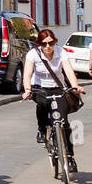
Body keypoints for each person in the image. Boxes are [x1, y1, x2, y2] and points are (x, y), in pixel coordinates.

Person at [23, 28, 84, 173]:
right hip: (40, 88)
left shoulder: (61, 52)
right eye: (44, 44)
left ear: (55, 42)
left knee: (64, 122)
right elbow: (27, 74)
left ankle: (70, 157)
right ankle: (42, 129)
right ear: (39, 44)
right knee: (43, 104)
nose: (47, 47)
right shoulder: (33, 54)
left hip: (59, 88)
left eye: (50, 43)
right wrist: (27, 90)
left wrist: (75, 86)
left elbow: (69, 71)